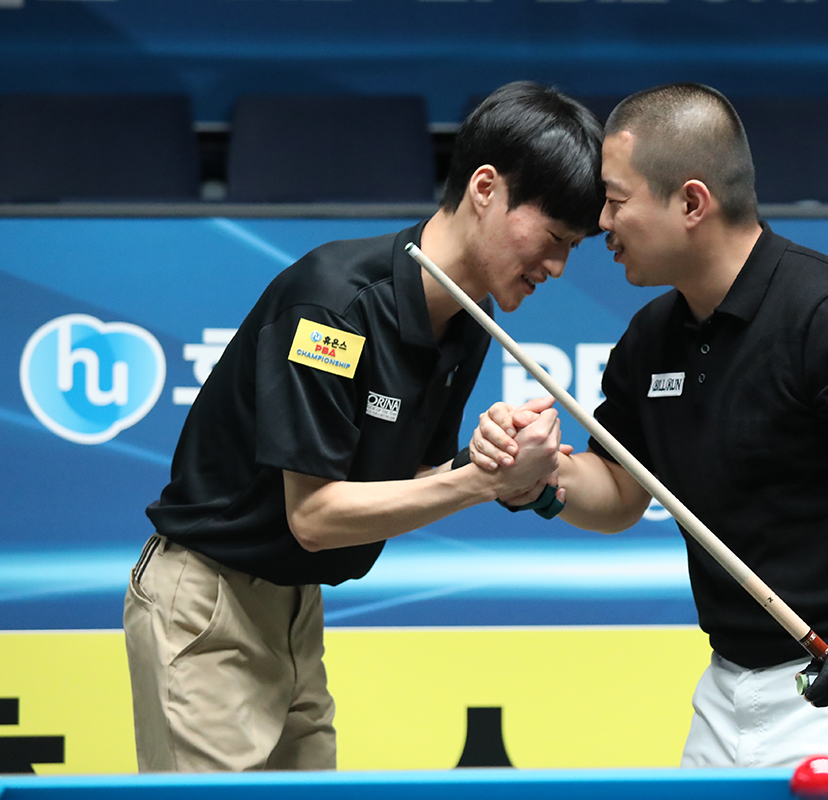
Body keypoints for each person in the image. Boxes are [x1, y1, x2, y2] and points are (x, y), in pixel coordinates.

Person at [471, 83, 828, 768]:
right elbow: (621, 492)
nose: (601, 223)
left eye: (616, 200)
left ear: (692, 203)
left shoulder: (827, 314)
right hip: (727, 688)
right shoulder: (651, 339)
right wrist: (541, 476)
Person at [123, 81, 604, 772]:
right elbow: (314, 517)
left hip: (295, 610)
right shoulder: (334, 306)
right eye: (554, 239)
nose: (558, 267)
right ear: (485, 188)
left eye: (574, 248)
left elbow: (415, 478)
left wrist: (490, 454)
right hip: (207, 606)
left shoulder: (469, 319)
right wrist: (481, 480)